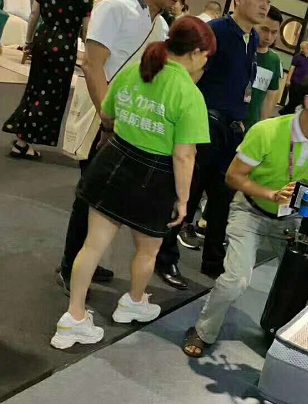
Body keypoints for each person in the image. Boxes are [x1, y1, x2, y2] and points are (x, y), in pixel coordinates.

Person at [50, 17, 216, 349]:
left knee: (92, 245)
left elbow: (107, 113)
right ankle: (133, 303)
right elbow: (185, 155)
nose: (205, 64)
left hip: (113, 162)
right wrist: (184, 200)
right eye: (206, 57)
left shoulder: (135, 71)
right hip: (155, 177)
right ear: (196, 53)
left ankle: (74, 318)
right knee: (147, 251)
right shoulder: (189, 94)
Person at [182, 69, 308, 357]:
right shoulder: (266, 131)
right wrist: (269, 194)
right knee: (235, 281)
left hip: (294, 221)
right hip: (250, 212)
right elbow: (233, 177)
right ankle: (203, 330)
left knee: (304, 283)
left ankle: (279, 332)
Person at [56, 0, 171, 295]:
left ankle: (87, 260)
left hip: (128, 120)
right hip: (102, 111)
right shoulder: (116, 6)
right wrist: (107, 117)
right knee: (89, 191)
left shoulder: (160, 25)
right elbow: (92, 63)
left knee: (107, 195)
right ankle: (70, 265)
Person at [155, 0, 270, 286]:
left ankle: (214, 261)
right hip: (205, 122)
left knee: (222, 199)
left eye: (269, 1)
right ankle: (164, 258)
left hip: (232, 129)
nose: (264, 6)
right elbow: (191, 74)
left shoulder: (253, 38)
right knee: (189, 192)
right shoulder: (216, 31)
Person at [2, 0, 92, 159]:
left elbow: (34, 14)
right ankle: (22, 141)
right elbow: (86, 29)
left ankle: (21, 132)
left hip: (43, 39)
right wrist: (90, 54)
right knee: (51, 95)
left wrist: (28, 41)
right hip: (65, 45)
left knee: (34, 89)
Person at [243, 6, 282, 129]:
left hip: (252, 125)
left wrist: (262, 126)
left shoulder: (274, 60)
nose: (268, 37)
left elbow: (270, 96)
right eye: (264, 29)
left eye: (274, 32)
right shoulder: (242, 49)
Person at [279, 41, 308, 115]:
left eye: (303, 48)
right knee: (292, 100)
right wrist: (288, 80)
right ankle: (284, 113)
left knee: (299, 102)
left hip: (305, 84)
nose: (301, 50)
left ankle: (285, 113)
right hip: (295, 82)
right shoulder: (297, 57)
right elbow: (292, 68)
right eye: (301, 48)